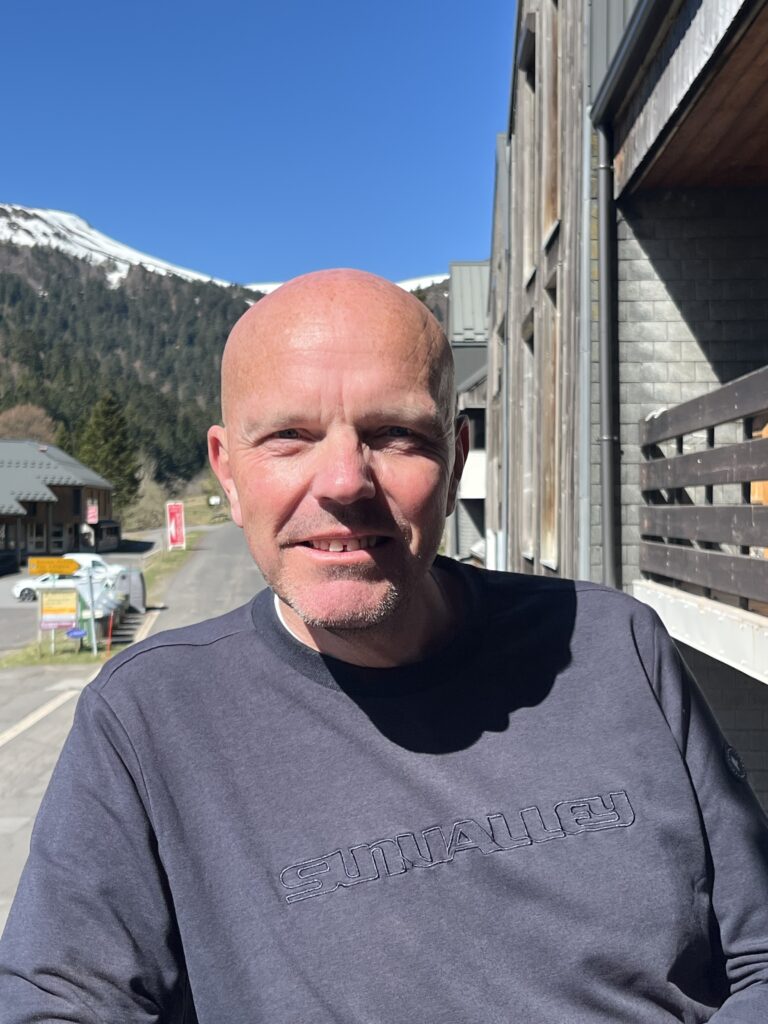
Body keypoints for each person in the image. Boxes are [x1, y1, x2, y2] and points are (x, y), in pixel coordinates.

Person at [1, 268, 767, 1022]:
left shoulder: (616, 646)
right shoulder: (147, 721)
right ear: (227, 473)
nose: (344, 481)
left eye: (394, 434)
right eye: (289, 437)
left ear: (456, 458)